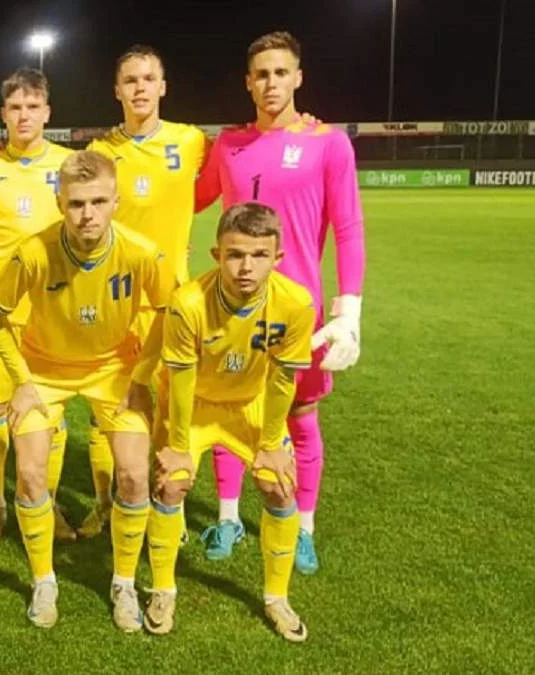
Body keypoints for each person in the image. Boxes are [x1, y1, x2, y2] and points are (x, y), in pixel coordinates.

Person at [195, 31, 366, 574]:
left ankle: (303, 529)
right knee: (227, 408)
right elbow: (188, 198)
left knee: (302, 418)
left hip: (299, 311)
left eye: (280, 72)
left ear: (298, 78)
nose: (271, 83)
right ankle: (228, 519)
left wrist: (348, 311)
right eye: (261, 74)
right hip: (232, 304)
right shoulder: (228, 144)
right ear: (248, 83)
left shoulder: (327, 142)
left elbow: (348, 226)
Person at [0, 150, 169, 631]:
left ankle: (124, 583)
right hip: (44, 372)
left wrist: (141, 376)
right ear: (59, 202)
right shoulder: (33, 252)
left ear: (116, 202)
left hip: (115, 370)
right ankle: (44, 580)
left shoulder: (141, 252)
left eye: (99, 202)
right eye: (77, 203)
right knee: (29, 475)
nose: (88, 214)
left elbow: (171, 312)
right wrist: (22, 381)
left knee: (134, 475)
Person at [144, 201, 315, 642]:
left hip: (249, 405)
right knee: (171, 483)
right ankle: (163, 590)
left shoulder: (296, 304)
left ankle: (277, 598)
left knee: (279, 486)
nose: (246, 267)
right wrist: (177, 446)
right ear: (216, 254)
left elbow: (283, 380)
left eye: (259, 255)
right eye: (235, 254)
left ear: (277, 258)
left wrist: (272, 444)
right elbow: (180, 381)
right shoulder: (188, 303)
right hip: (195, 405)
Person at [82, 45, 207, 538]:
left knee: (169, 408)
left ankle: (166, 504)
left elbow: (222, 181)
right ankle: (106, 501)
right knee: (108, 406)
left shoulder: (190, 141)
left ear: (163, 86)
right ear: (117, 90)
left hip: (171, 301)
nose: (139, 88)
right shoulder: (100, 151)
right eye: (130, 80)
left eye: (148, 78)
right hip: (115, 299)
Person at [0, 67, 75, 544]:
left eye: (32, 107)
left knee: (50, 413)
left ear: (47, 112)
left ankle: (48, 502)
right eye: (15, 108)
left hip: (51, 310)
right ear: (3, 114)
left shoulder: (70, 164)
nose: (24, 115)